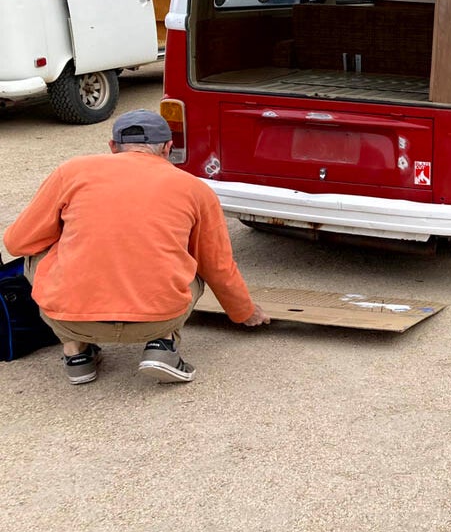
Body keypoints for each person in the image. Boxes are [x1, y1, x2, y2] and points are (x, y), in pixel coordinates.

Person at [2, 109, 269, 385]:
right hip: (158, 319)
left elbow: (17, 242)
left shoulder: (71, 172)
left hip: (70, 319)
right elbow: (218, 266)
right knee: (197, 263)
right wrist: (244, 312)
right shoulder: (195, 189)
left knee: (37, 254)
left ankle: (76, 353)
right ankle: (162, 345)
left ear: (113, 146)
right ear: (167, 148)